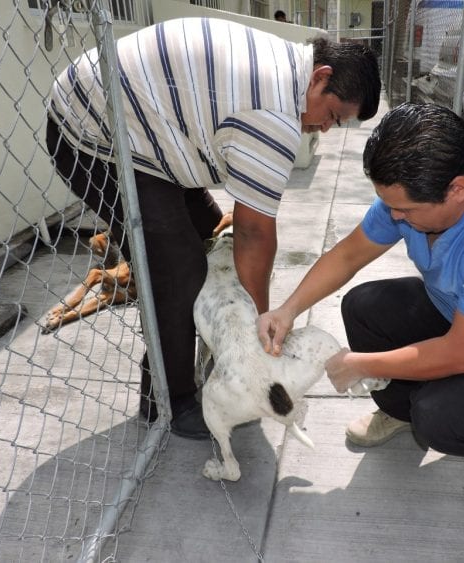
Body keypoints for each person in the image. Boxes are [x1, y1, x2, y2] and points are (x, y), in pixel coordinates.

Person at [46, 17, 381, 439]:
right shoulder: (273, 113)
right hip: (89, 136)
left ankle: (199, 356)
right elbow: (254, 234)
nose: (326, 128)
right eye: (332, 114)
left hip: (140, 131)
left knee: (208, 229)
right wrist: (258, 324)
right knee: (180, 267)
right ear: (322, 77)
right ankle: (170, 400)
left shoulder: (288, 63)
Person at [257, 103, 464, 487]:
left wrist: (362, 364)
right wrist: (288, 309)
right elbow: (349, 254)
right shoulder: (421, 186)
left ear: (457, 189)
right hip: (460, 310)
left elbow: (462, 355)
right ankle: (399, 411)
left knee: (439, 419)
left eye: (404, 210)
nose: (394, 217)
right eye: (389, 206)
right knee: (363, 307)